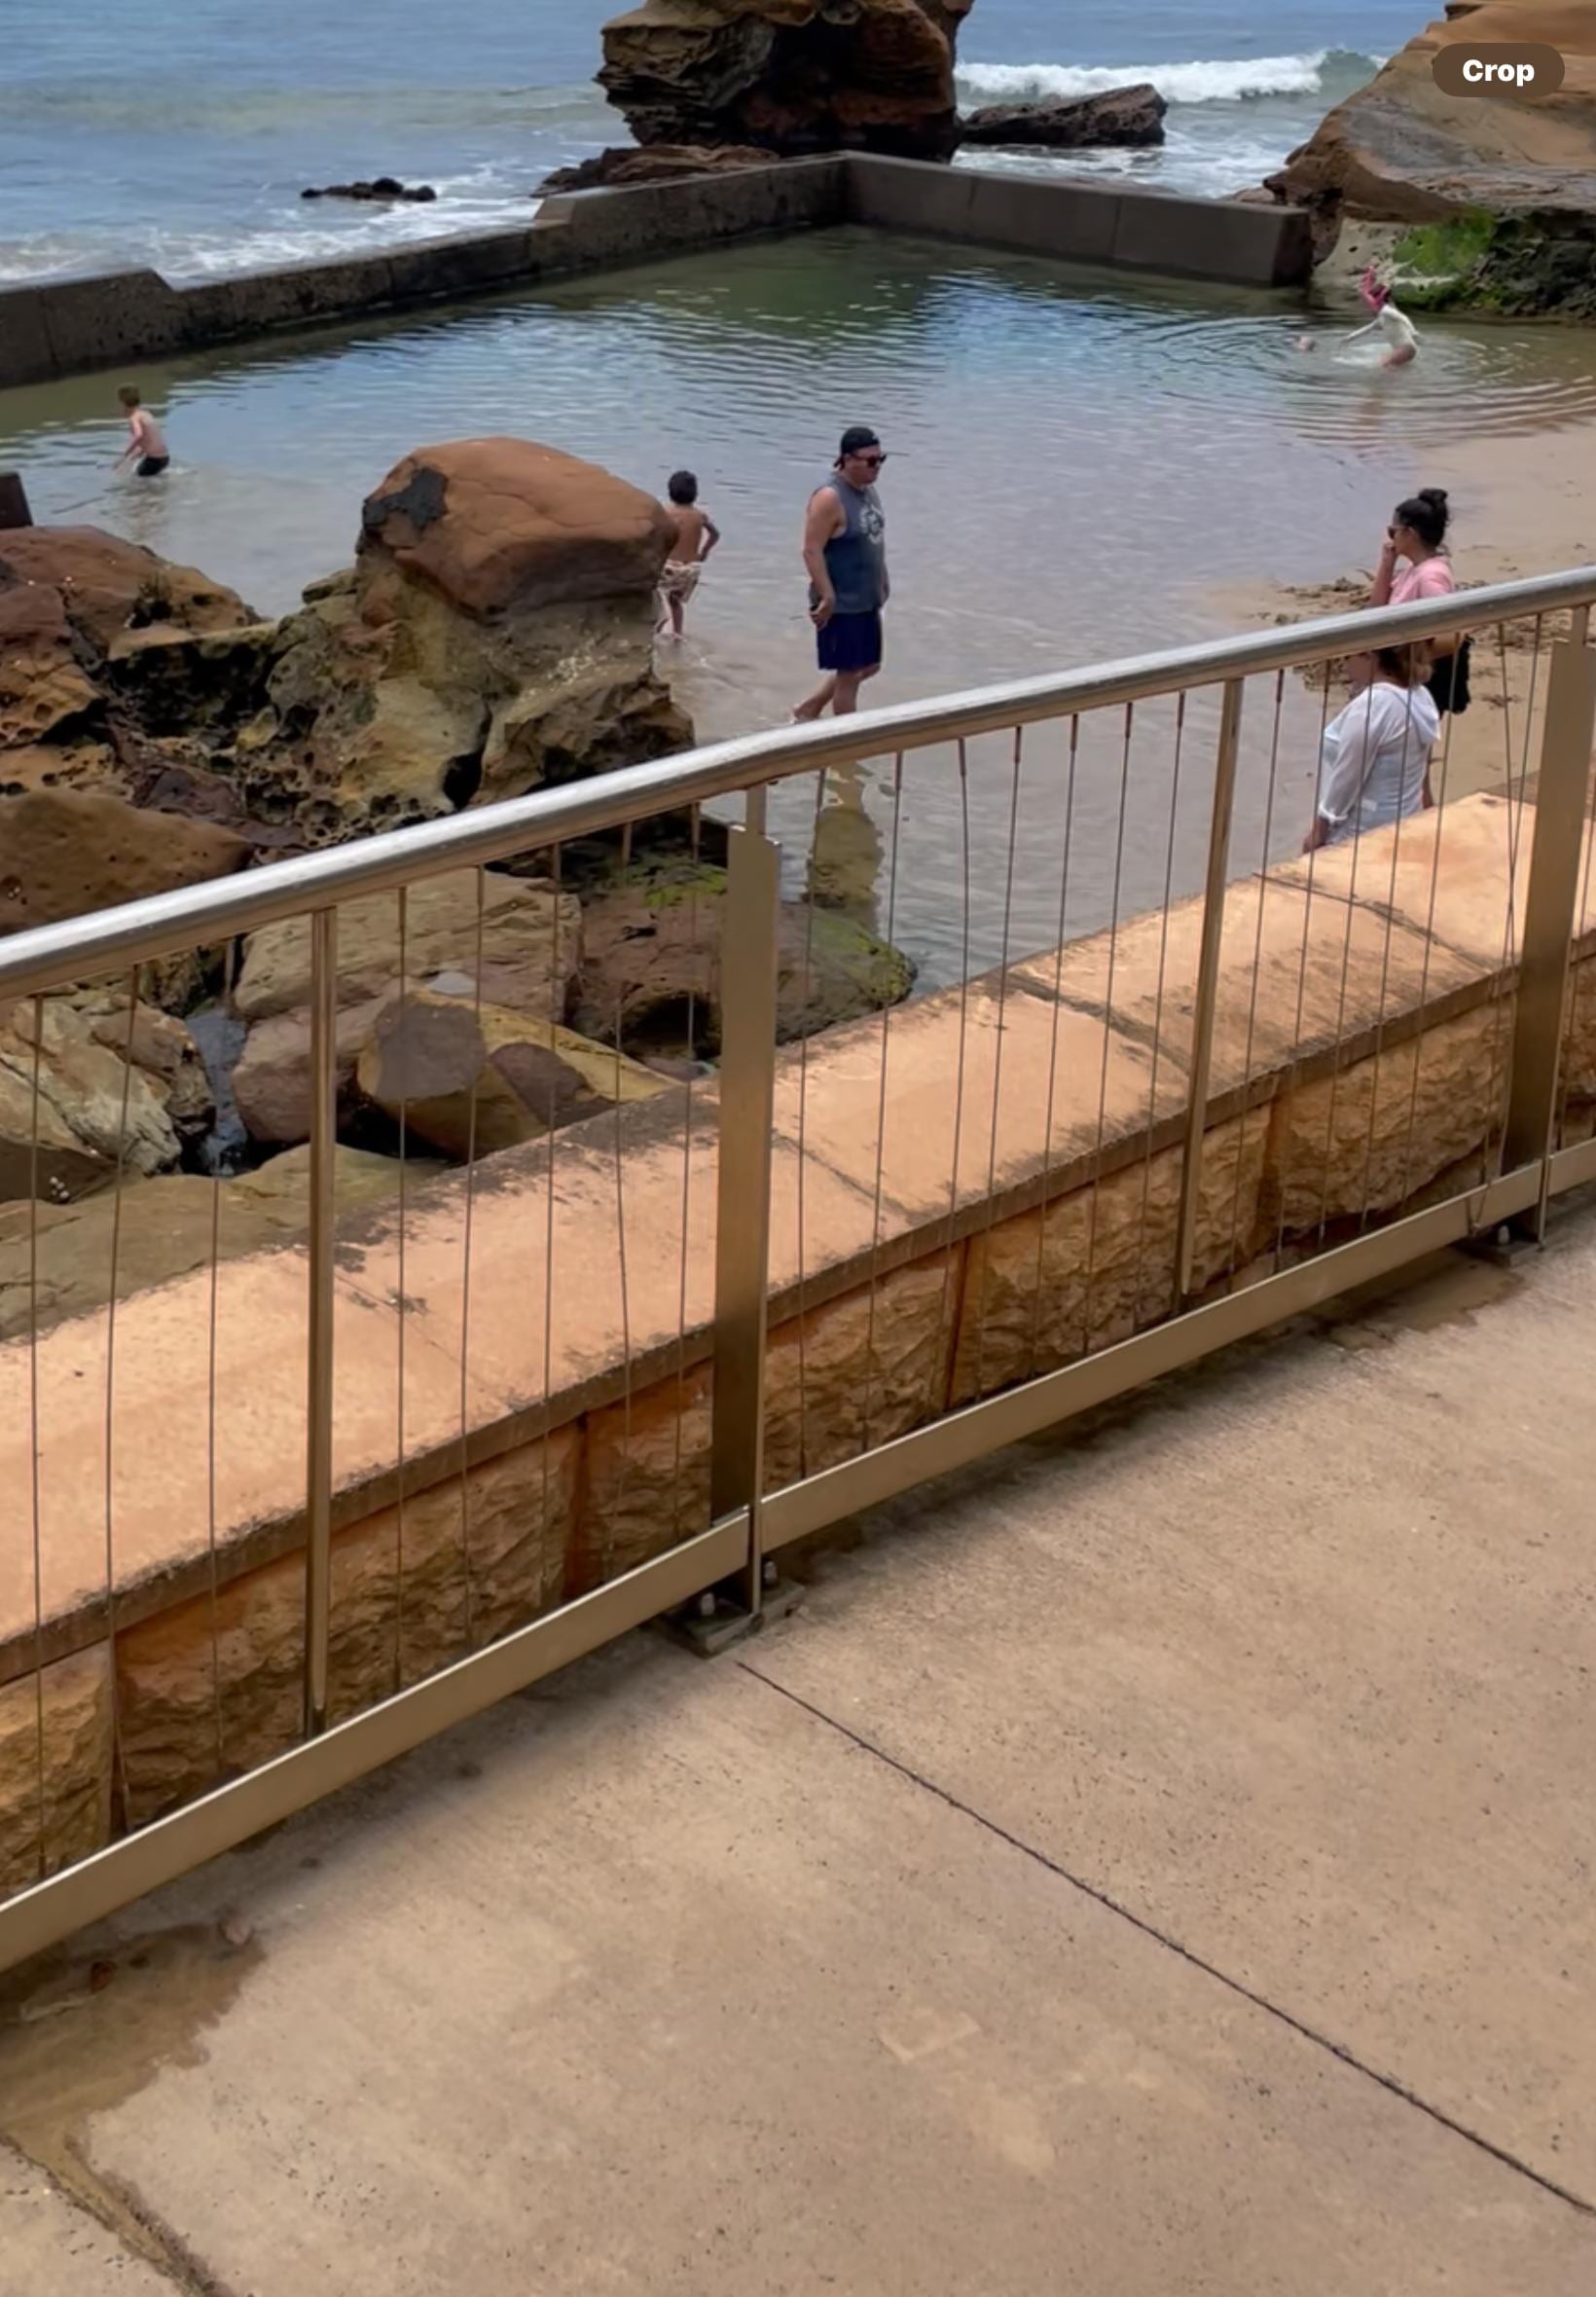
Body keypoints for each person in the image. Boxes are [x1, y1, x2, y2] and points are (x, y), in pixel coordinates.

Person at [791, 425, 889, 722]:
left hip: (866, 597)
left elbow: (874, 539)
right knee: (849, 675)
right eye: (870, 461)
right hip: (842, 600)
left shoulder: (868, 491)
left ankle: (809, 708)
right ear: (847, 459)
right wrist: (828, 594)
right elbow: (811, 549)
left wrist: (882, 579)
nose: (877, 467)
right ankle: (845, 747)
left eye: (881, 459)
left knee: (870, 666)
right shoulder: (829, 498)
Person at [1304, 643, 1438, 852]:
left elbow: (1347, 780)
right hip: (1406, 822)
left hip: (1360, 833)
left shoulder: (1371, 707)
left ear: (1369, 657)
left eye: (1348, 656)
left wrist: (1317, 834)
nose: (1345, 666)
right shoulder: (1421, 696)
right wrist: (1428, 811)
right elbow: (1423, 766)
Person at [1373, 487, 1469, 720]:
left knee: (1412, 748)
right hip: (1405, 678)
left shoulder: (1429, 577)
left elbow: (1452, 634)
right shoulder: (1414, 570)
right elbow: (1375, 609)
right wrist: (1387, 564)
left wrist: (1408, 660)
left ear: (1410, 534)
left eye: (1392, 532)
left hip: (1418, 681)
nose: (1390, 539)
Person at [656, 469, 720, 639]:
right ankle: (677, 634)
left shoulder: (665, 512)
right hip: (690, 569)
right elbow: (715, 534)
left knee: (656, 593)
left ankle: (660, 620)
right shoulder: (700, 515)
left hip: (668, 566)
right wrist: (704, 552)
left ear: (670, 492)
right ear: (695, 494)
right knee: (676, 601)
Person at [1344, 275, 1420, 368]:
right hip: (1406, 349)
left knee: (1385, 366)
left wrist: (1413, 331)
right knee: (1385, 363)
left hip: (1407, 348)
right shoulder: (1381, 318)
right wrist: (1349, 337)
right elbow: (1367, 329)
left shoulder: (1386, 310)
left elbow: (1403, 318)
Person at [114, 385, 169, 476]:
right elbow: (150, 438)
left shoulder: (134, 417)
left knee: (138, 483)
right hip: (165, 458)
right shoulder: (146, 414)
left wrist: (123, 456)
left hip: (154, 460)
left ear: (123, 403)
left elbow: (139, 435)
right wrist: (136, 455)